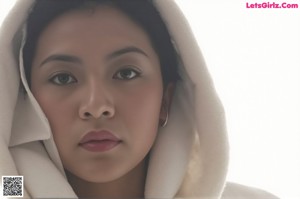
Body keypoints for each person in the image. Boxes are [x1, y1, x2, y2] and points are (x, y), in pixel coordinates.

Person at [0, 0, 279, 198]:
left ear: (166, 100)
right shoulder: (8, 190)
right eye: (63, 78)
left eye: (126, 73)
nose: (97, 107)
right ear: (25, 101)